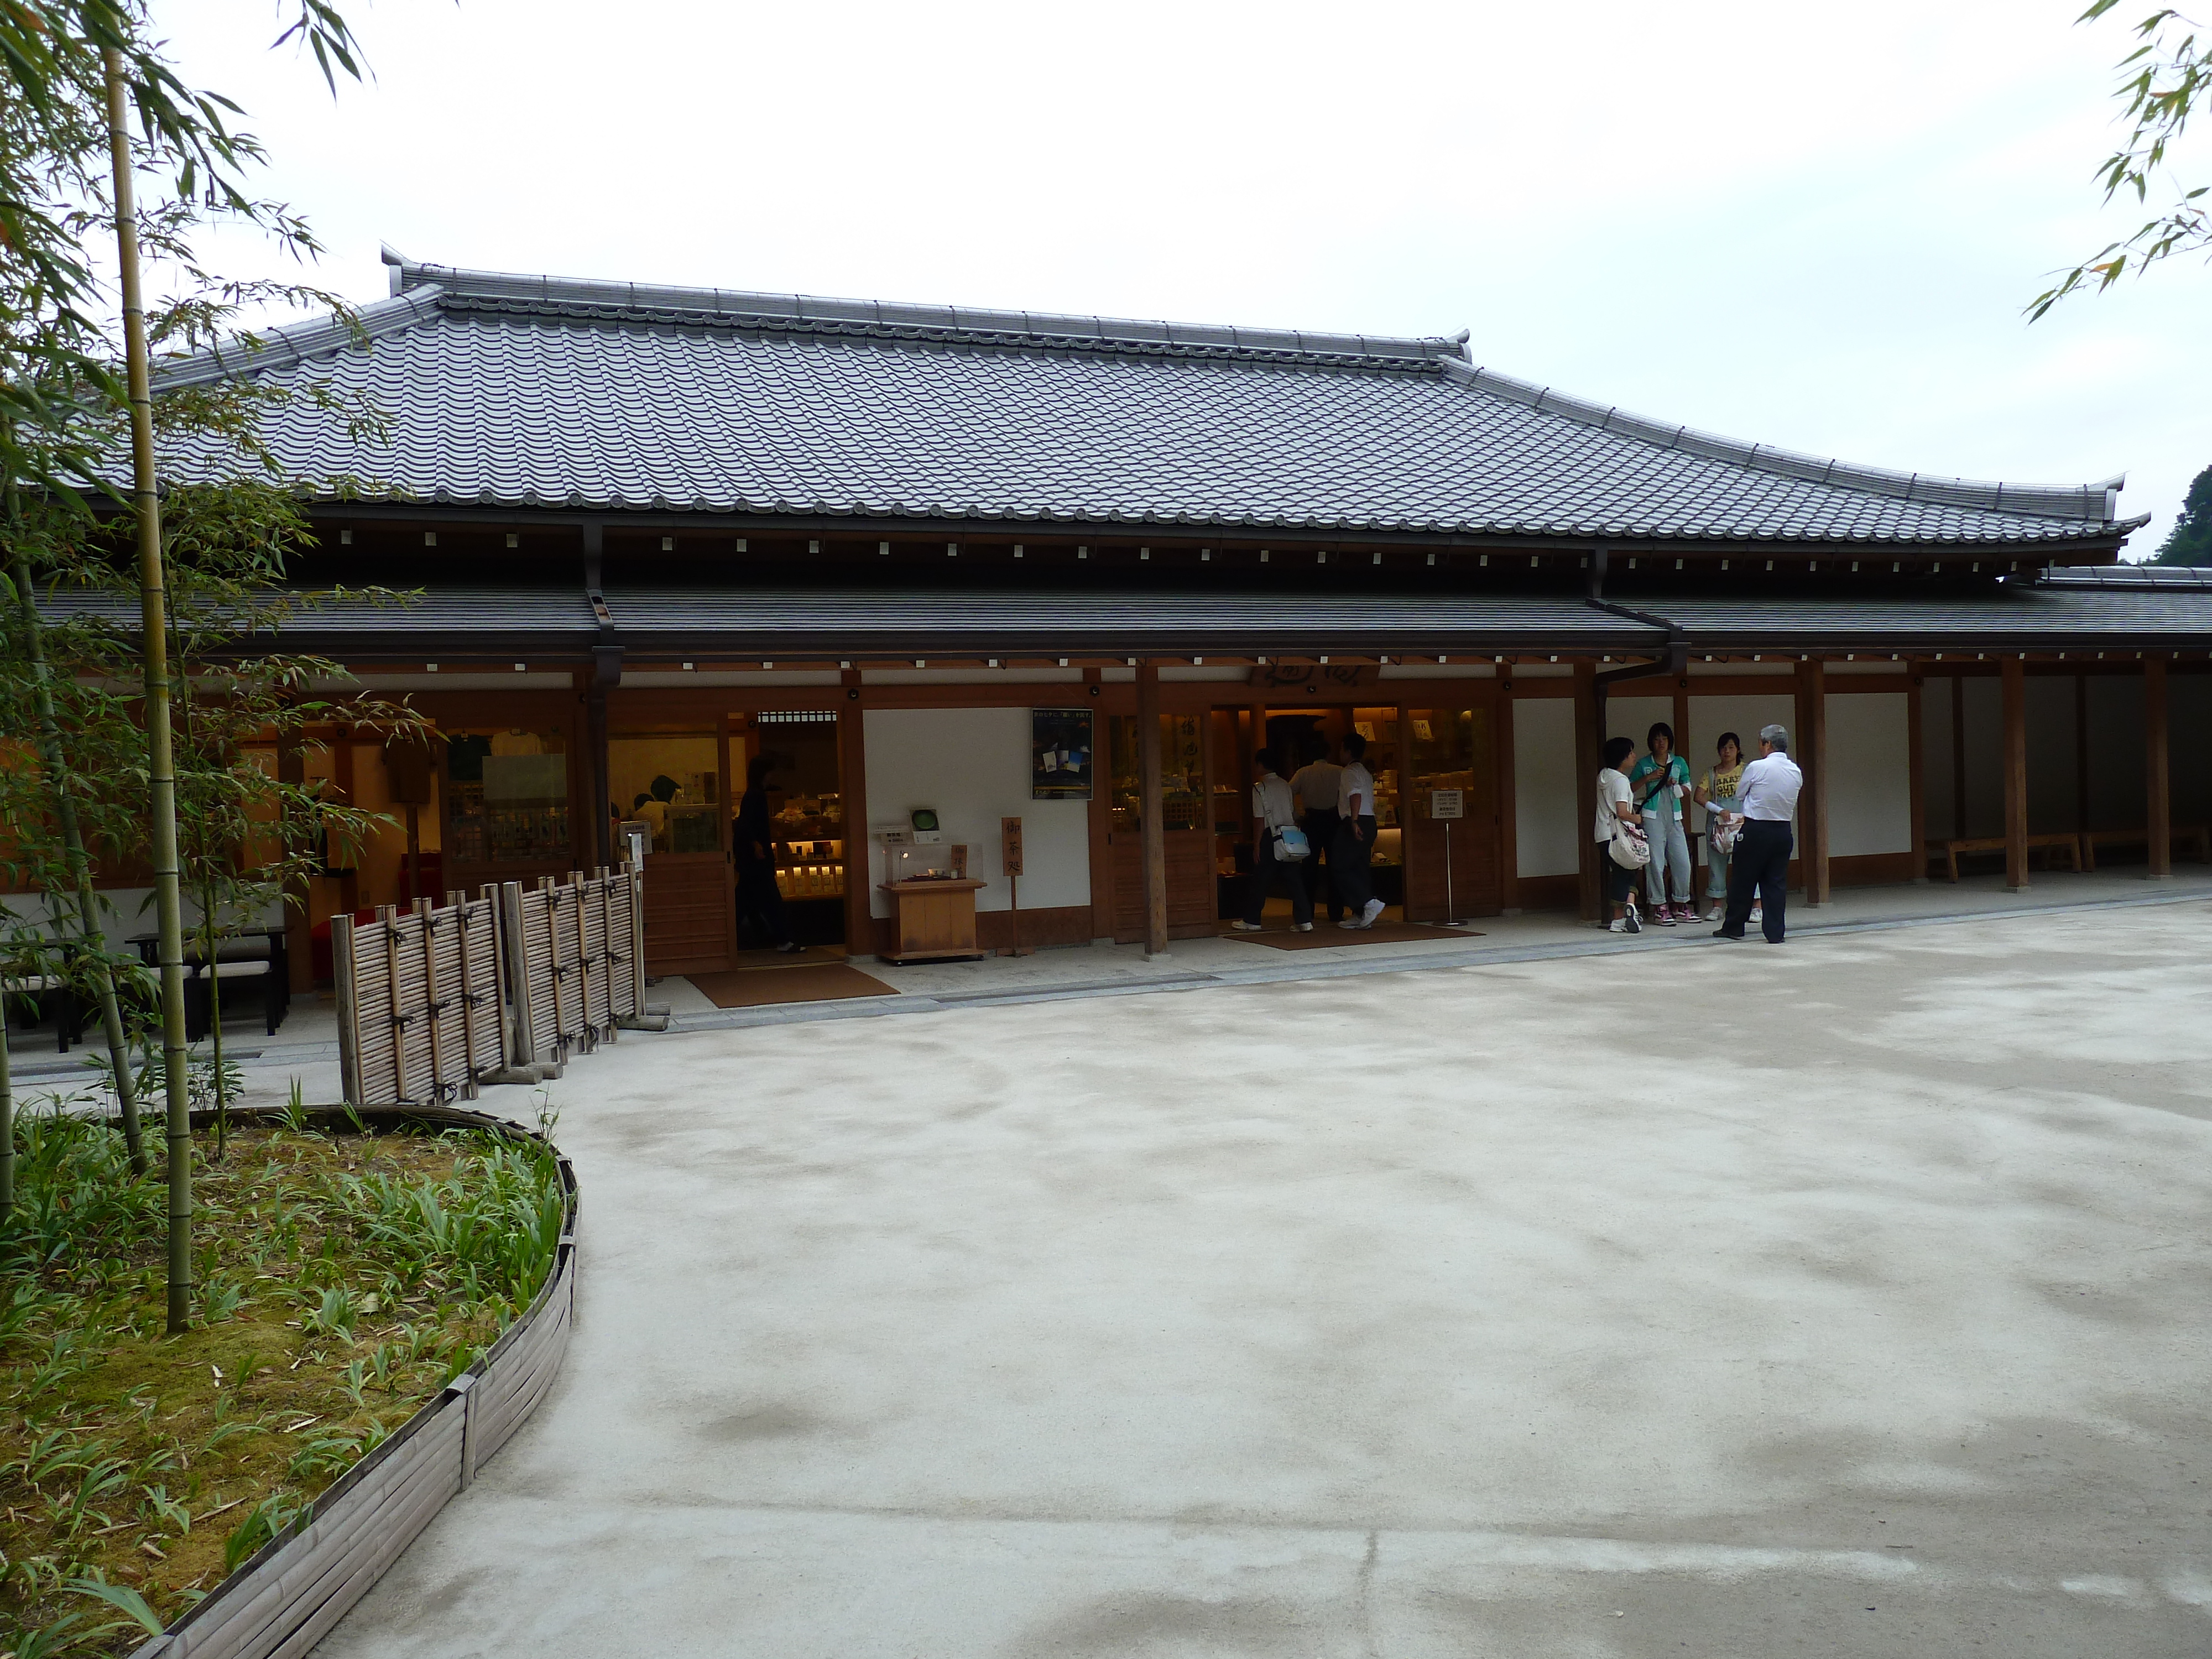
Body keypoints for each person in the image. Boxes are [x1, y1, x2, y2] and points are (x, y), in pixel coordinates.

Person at [1713, 723, 1802, 944]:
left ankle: (1734, 926)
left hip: (1756, 828)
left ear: (1767, 744)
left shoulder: (1757, 767)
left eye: (1761, 743)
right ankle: (1775, 932)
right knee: (1776, 883)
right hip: (1783, 830)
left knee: (1743, 879)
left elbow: (1741, 793)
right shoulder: (1795, 771)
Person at [1230, 748, 1315, 933]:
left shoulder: (1260, 788)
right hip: (1289, 834)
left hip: (1271, 836)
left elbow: (1259, 819)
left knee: (1261, 880)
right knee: (1294, 880)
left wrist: (1257, 844)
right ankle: (1304, 920)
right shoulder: (1285, 785)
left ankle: (1252, 920)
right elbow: (1293, 811)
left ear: (1260, 765)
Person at [733, 754, 803, 953]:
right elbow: (746, 825)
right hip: (756, 857)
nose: (774, 775)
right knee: (770, 900)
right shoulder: (756, 795)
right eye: (771, 771)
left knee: (745, 901)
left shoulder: (754, 794)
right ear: (765, 773)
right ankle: (783, 939)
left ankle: (729, 937)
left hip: (751, 858)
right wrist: (757, 845)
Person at [1627, 722, 1694, 925]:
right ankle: (1659, 906)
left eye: (1664, 739)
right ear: (1651, 742)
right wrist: (1649, 778)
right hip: (1652, 816)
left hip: (1674, 815)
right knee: (1655, 862)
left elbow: (1688, 786)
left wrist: (1676, 787)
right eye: (1657, 739)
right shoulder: (1644, 764)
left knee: (1683, 861)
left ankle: (1681, 904)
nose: (1661, 743)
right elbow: (1630, 787)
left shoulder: (1679, 762)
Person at [1333, 732, 1387, 930]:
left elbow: (1355, 795)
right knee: (1360, 867)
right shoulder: (1364, 771)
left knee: (1339, 865)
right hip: (1369, 820)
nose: (1340, 753)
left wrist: (1354, 821)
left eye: (1341, 749)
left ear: (1348, 751)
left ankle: (1368, 902)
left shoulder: (1349, 772)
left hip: (1356, 820)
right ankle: (1361, 914)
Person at [1693, 732, 1747, 926]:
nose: (1727, 751)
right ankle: (1717, 906)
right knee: (1716, 865)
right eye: (1724, 748)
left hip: (1743, 823)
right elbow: (1699, 796)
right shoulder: (1711, 773)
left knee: (1749, 864)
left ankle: (1755, 905)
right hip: (1718, 825)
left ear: (1738, 750)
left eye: (1731, 747)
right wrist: (1717, 809)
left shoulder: (1747, 770)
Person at [1288, 734, 1344, 923]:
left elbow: (1288, 792)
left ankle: (1306, 912)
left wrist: (1297, 816)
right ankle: (1336, 912)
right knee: (1335, 866)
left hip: (1311, 820)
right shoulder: (1339, 771)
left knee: (1309, 868)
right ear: (1329, 754)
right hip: (1333, 819)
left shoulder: (1303, 773)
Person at [1597, 734, 1646, 933]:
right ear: (1622, 757)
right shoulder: (1620, 781)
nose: (1634, 756)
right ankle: (1619, 919)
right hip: (1618, 834)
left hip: (1602, 834)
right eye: (1631, 752)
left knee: (1625, 871)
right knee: (1626, 872)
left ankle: (1629, 909)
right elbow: (1622, 812)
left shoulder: (1603, 777)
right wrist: (1638, 819)